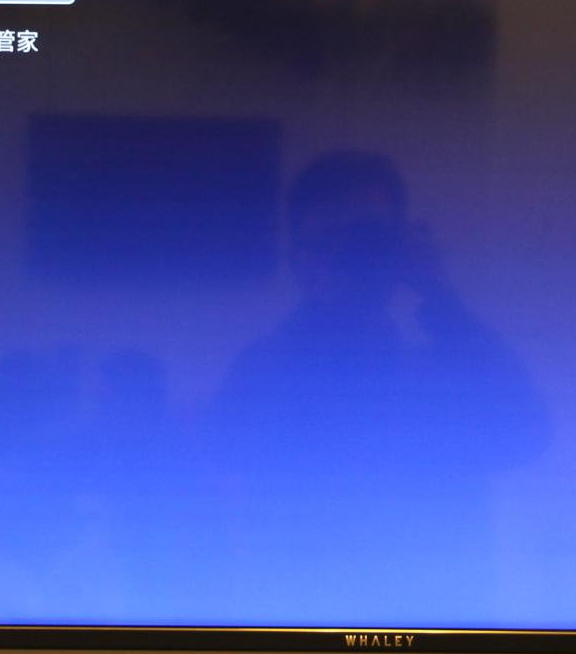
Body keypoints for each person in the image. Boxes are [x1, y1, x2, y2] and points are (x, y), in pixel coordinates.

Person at [210, 150, 548, 619]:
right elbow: (226, 466)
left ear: (403, 248)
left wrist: (438, 294)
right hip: (303, 640)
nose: (357, 259)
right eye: (336, 242)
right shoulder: (262, 372)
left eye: (372, 240)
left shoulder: (440, 374)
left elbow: (527, 434)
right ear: (300, 258)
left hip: (441, 640)